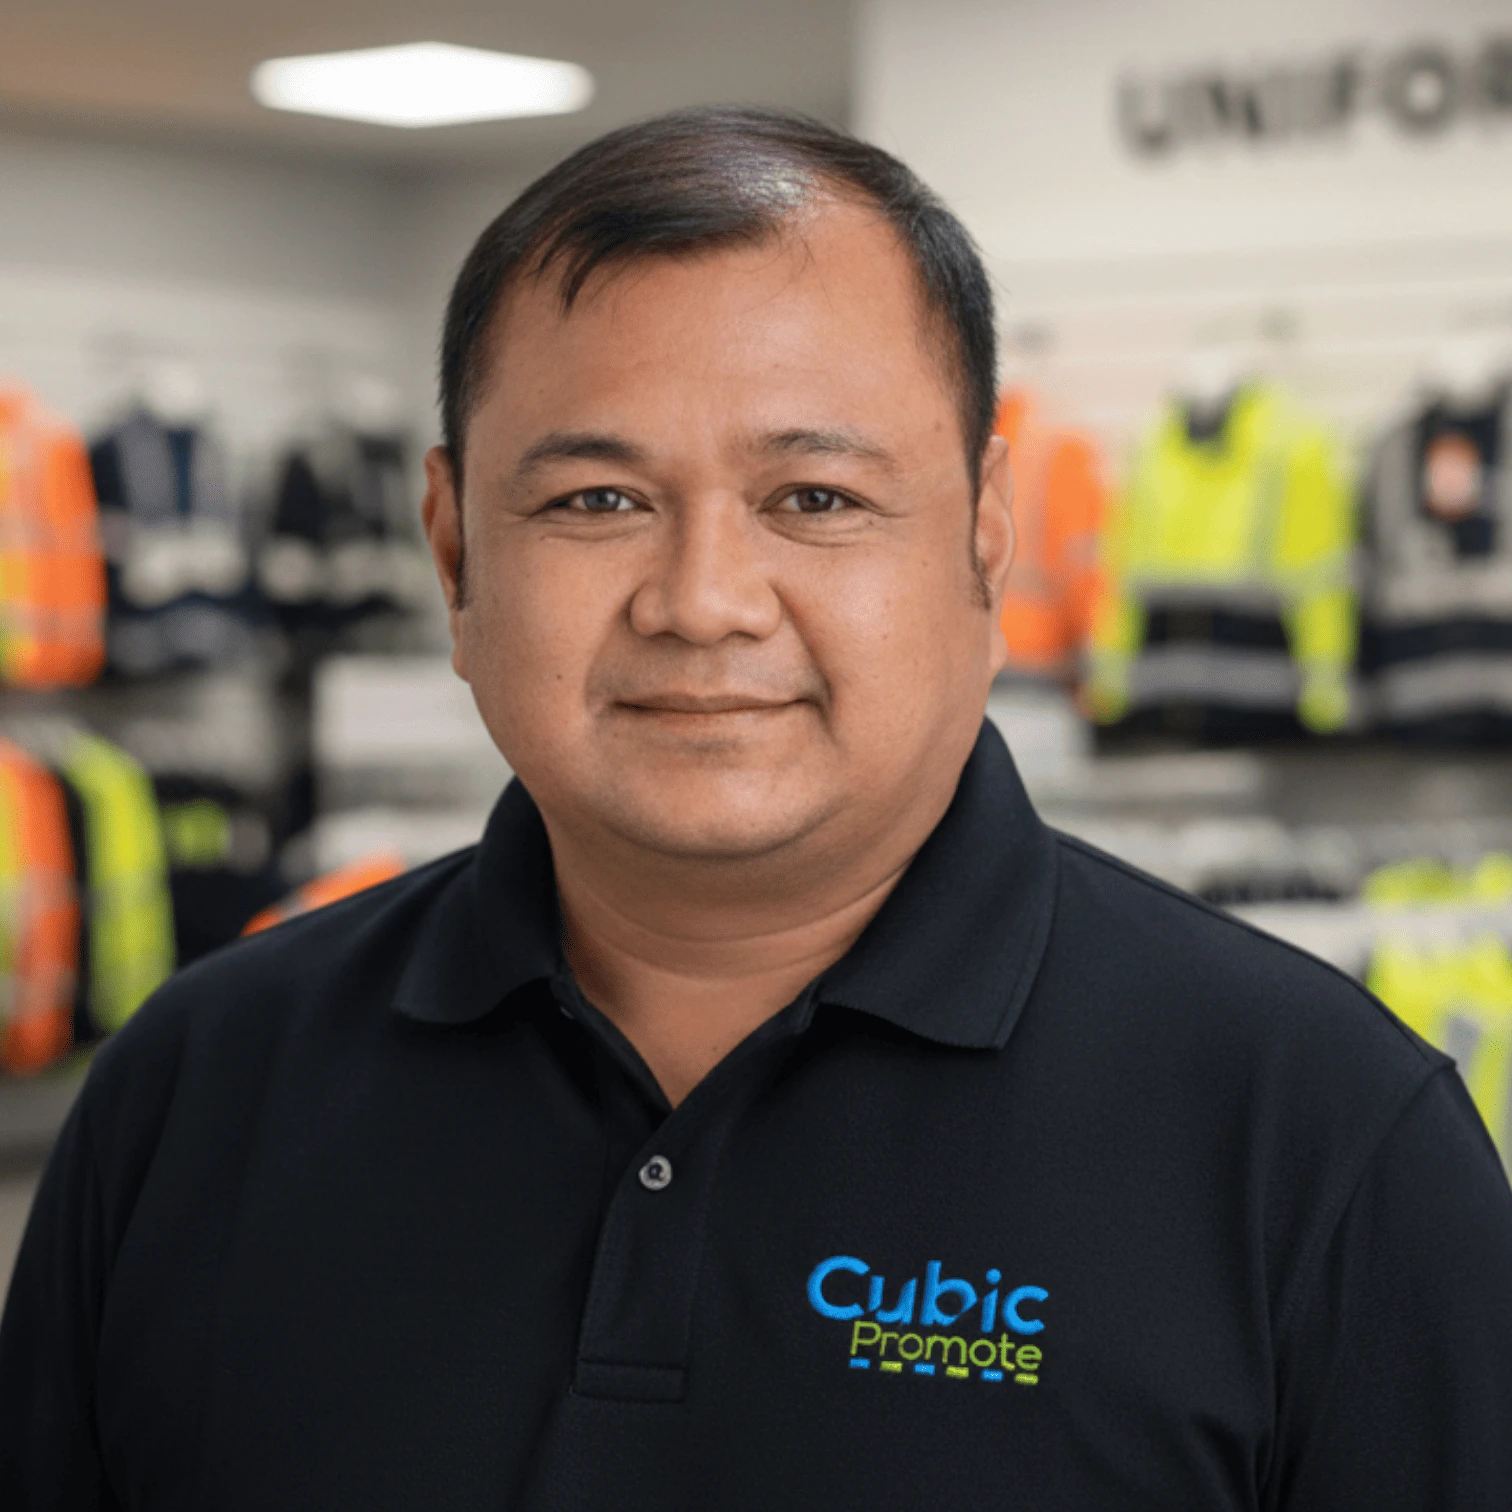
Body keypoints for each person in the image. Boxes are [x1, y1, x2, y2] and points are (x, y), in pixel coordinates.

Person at [2, 106, 1510, 1511]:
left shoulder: (1326, 1143)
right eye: (597, 501)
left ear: (986, 539)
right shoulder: (195, 1087)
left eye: (816, 500)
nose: (703, 601)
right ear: (455, 552)